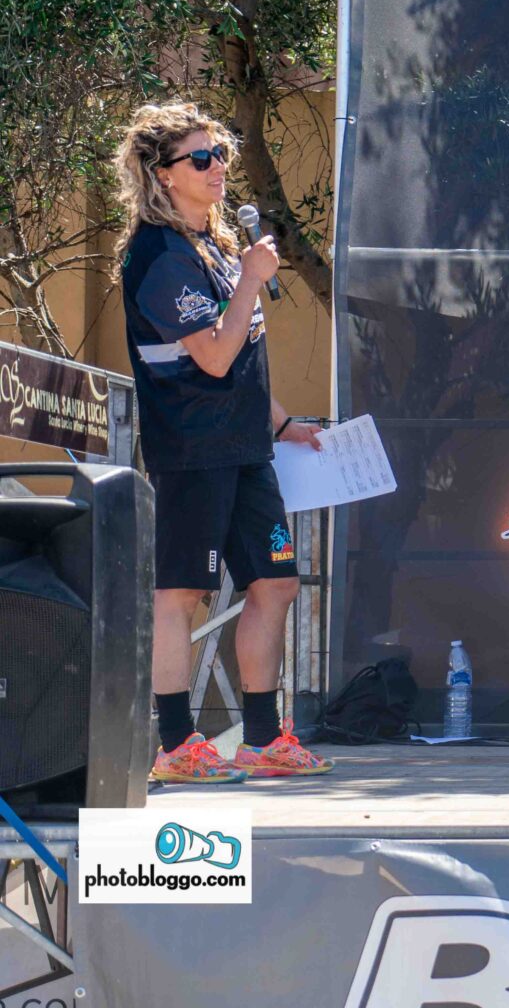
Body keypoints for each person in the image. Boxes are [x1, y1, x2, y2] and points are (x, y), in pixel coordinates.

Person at [114, 102, 334, 783]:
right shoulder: (159, 254)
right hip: (192, 450)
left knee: (276, 582)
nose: (218, 170)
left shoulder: (211, 245)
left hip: (244, 448)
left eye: (222, 156)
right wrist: (250, 281)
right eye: (202, 158)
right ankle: (177, 744)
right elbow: (212, 356)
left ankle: (263, 740)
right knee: (182, 594)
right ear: (162, 173)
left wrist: (281, 424)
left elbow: (243, 355)